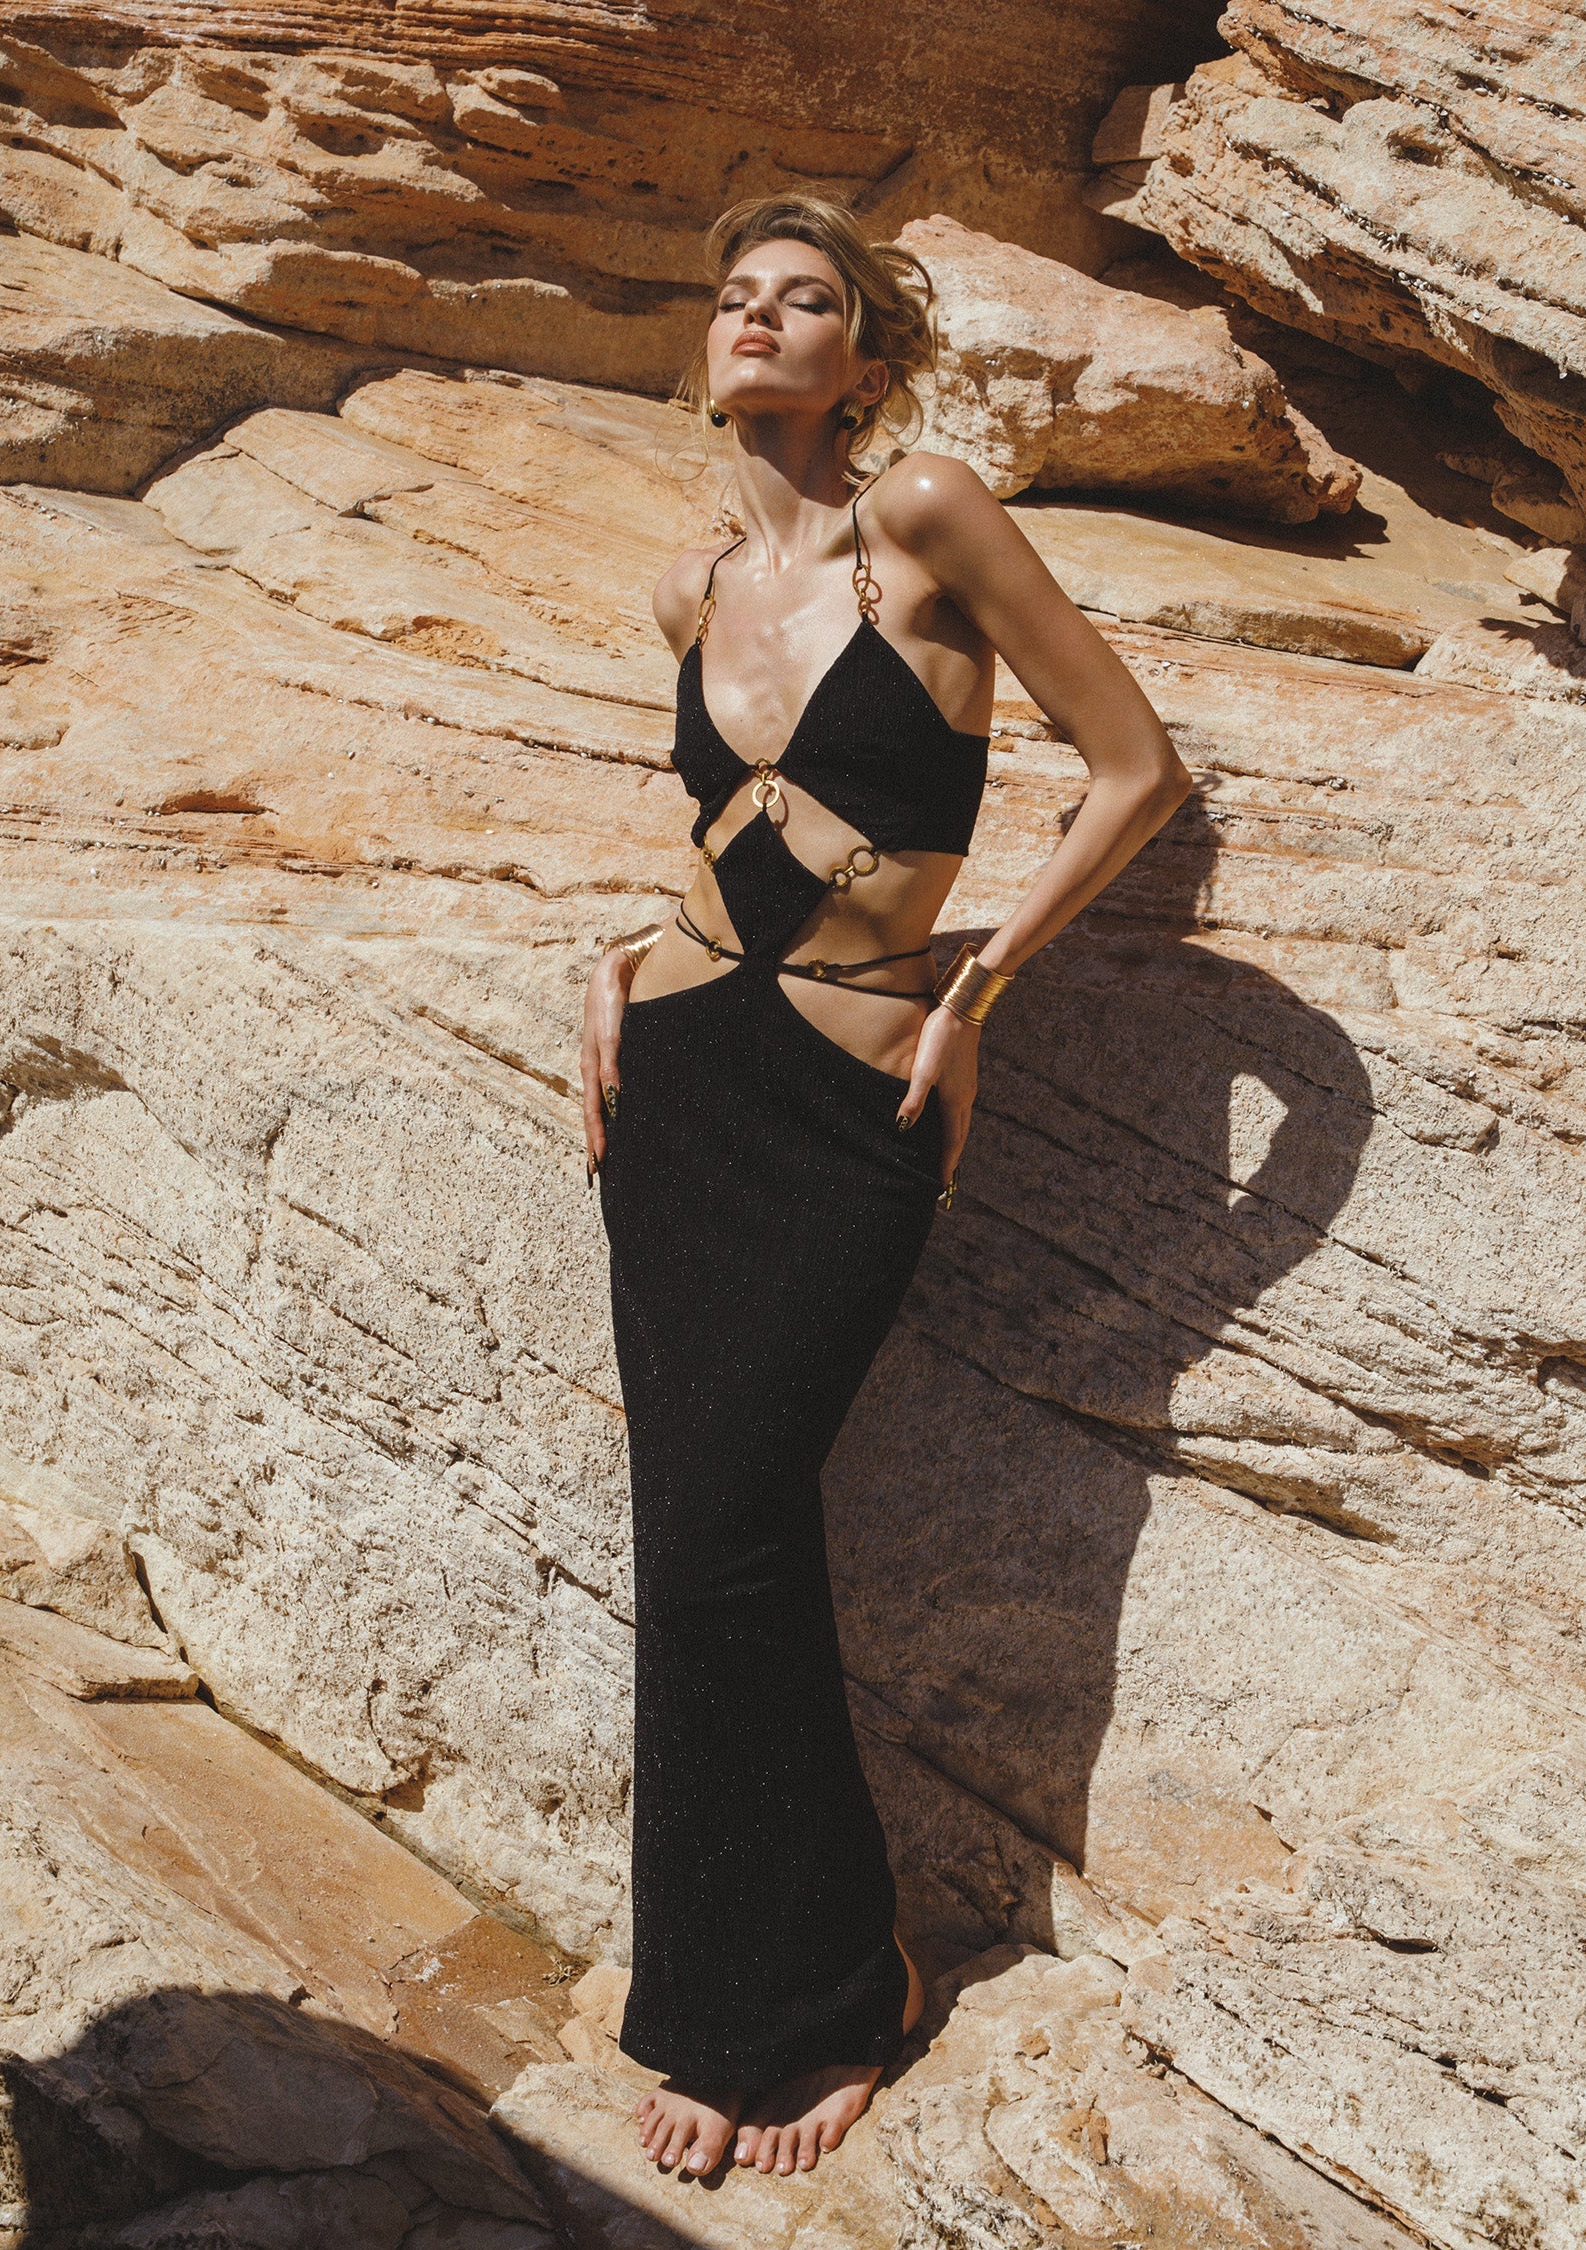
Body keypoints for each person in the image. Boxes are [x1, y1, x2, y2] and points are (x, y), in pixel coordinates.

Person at [582, 193, 1191, 2184]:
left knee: (743, 1519)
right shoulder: (687, 588)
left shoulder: (922, 514)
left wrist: (982, 992)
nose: (763, 322)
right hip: (676, 1075)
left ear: (865, 354)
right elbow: (717, 834)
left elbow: (1132, 768)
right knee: (697, 1541)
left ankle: (855, 1984)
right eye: (736, 296)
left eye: (810, 301)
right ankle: (722, 2007)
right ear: (710, 348)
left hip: (849, 1095)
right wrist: (611, 961)